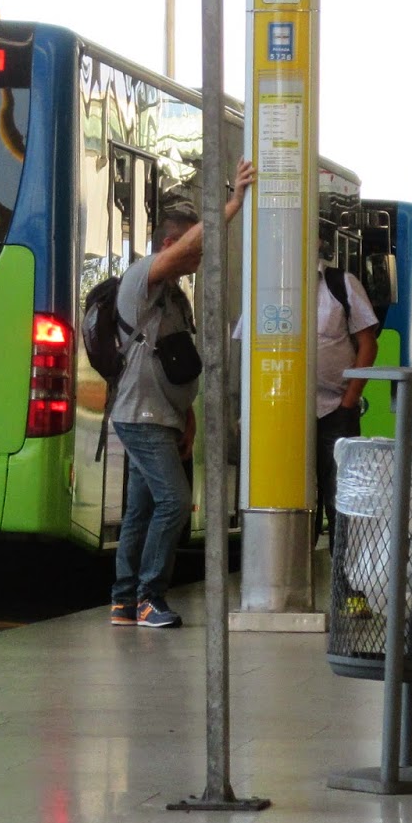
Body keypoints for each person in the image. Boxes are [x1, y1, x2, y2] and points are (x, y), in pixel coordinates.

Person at [110, 161, 255, 629]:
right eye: (193, 254)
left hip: (164, 416)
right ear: (169, 247)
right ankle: (151, 596)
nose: (199, 263)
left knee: (143, 508)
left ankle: (124, 600)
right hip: (142, 415)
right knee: (175, 503)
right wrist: (231, 206)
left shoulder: (173, 296)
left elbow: (175, 361)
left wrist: (187, 414)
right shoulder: (143, 280)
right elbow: (190, 246)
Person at [315, 260, 379, 549]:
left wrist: (348, 401)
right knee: (296, 496)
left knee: (339, 495)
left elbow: (368, 342)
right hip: (287, 413)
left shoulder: (341, 283)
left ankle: (345, 575)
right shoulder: (269, 284)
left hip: (335, 409)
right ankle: (297, 573)